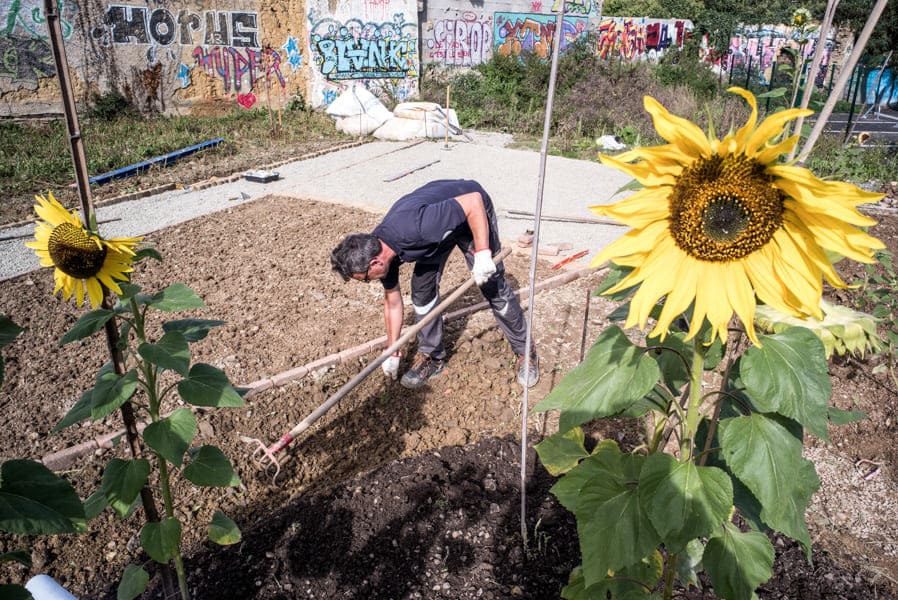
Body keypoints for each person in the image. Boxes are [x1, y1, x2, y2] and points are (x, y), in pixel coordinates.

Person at [330, 179, 539, 389]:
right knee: (422, 293)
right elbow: (392, 303)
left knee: (492, 286)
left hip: (472, 215)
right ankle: (433, 357)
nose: (368, 281)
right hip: (439, 232)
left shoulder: (416, 227)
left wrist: (483, 255)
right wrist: (392, 349)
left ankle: (526, 353)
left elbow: (473, 202)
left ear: (375, 262)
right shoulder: (379, 254)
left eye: (366, 278)